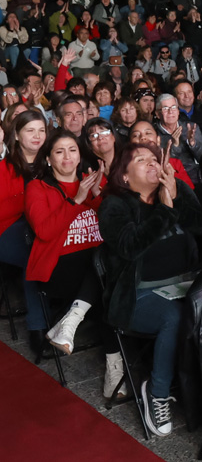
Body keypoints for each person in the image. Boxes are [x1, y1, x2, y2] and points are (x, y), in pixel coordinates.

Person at [98, 142, 202, 436]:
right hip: (137, 294)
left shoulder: (176, 188)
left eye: (154, 159)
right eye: (141, 160)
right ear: (123, 176)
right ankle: (157, 394)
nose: (152, 164)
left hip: (185, 282)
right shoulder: (114, 205)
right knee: (175, 316)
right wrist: (165, 208)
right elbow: (130, 247)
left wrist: (175, 196)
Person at [25, 130, 108, 357]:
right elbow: (44, 231)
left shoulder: (93, 182)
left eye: (72, 150)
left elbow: (113, 224)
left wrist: (96, 193)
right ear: (49, 159)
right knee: (105, 267)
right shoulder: (37, 188)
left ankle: (112, 359)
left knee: (107, 272)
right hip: (58, 268)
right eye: (59, 152)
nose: (67, 157)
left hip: (98, 266)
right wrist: (77, 200)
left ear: (80, 156)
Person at [0, 111, 50, 356]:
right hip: (6, 231)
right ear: (17, 135)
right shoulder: (4, 167)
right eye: (30, 130)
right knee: (36, 254)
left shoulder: (52, 161)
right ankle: (38, 328)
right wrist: (31, 200)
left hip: (43, 230)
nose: (37, 136)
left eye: (41, 130)